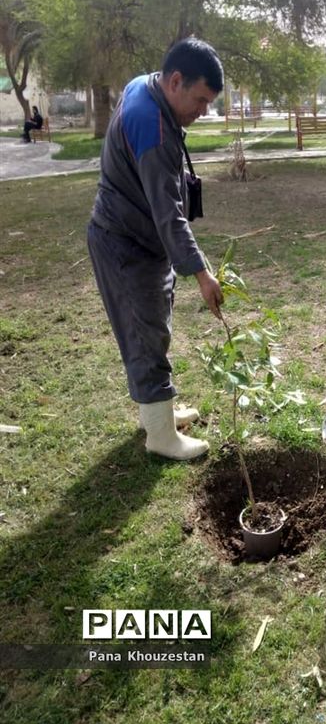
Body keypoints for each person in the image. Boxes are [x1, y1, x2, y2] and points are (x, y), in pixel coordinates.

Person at [87, 37, 225, 460]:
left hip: (141, 239)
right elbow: (168, 214)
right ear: (176, 81)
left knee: (154, 326)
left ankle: (159, 413)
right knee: (145, 334)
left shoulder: (145, 86)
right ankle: (161, 437)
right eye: (200, 100)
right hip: (124, 243)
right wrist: (202, 274)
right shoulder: (153, 129)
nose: (203, 111)